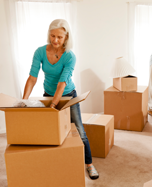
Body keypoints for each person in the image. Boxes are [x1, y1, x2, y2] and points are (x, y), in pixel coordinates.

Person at [22, 19, 99, 180]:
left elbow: (62, 83)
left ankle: (89, 164)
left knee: (79, 130)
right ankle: (52, 160)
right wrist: (24, 101)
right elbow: (32, 78)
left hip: (68, 94)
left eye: (59, 37)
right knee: (49, 131)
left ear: (66, 38)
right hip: (48, 93)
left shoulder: (70, 56)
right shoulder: (40, 52)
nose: (55, 40)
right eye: (52, 36)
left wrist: (54, 105)